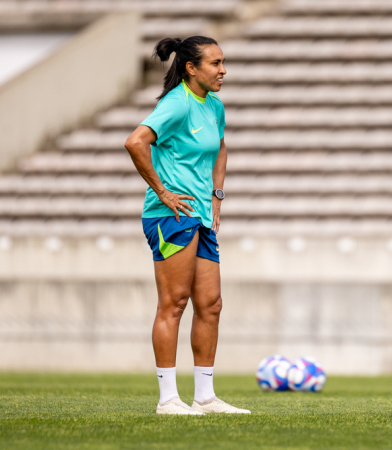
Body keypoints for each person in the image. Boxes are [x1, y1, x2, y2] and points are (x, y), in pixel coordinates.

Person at [124, 36, 249, 415]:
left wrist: (217, 194)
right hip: (171, 216)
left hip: (199, 216)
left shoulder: (213, 105)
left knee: (210, 304)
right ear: (191, 68)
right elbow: (135, 142)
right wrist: (161, 191)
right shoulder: (176, 104)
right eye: (215, 63)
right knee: (174, 303)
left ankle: (206, 397)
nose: (223, 70)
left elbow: (221, 146)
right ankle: (168, 400)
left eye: (223, 62)